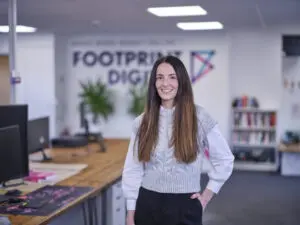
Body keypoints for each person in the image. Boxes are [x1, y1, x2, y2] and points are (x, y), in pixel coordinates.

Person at [122, 55, 234, 225]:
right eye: (160, 78)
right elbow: (133, 169)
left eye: (172, 77)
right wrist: (131, 211)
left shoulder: (200, 117)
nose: (165, 83)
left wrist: (206, 196)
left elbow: (225, 159)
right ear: (154, 83)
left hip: (185, 207)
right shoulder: (142, 122)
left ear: (181, 81)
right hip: (147, 204)